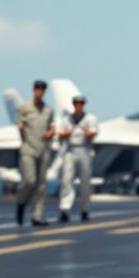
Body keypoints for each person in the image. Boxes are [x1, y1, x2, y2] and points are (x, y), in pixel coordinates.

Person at [14, 79, 55, 227]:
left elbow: (51, 127)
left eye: (42, 89)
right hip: (28, 148)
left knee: (41, 185)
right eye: (37, 89)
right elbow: (20, 125)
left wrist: (51, 132)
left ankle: (37, 217)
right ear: (33, 90)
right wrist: (24, 140)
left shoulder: (48, 110)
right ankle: (21, 203)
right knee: (29, 181)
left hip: (44, 149)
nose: (39, 92)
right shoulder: (24, 108)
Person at [56, 92, 100, 223]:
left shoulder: (90, 119)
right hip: (70, 150)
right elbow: (60, 135)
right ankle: (65, 209)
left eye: (81, 103)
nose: (78, 106)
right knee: (66, 180)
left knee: (85, 182)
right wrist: (67, 134)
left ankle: (85, 210)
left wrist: (87, 132)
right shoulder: (66, 119)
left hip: (84, 149)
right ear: (73, 105)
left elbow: (93, 133)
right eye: (76, 103)